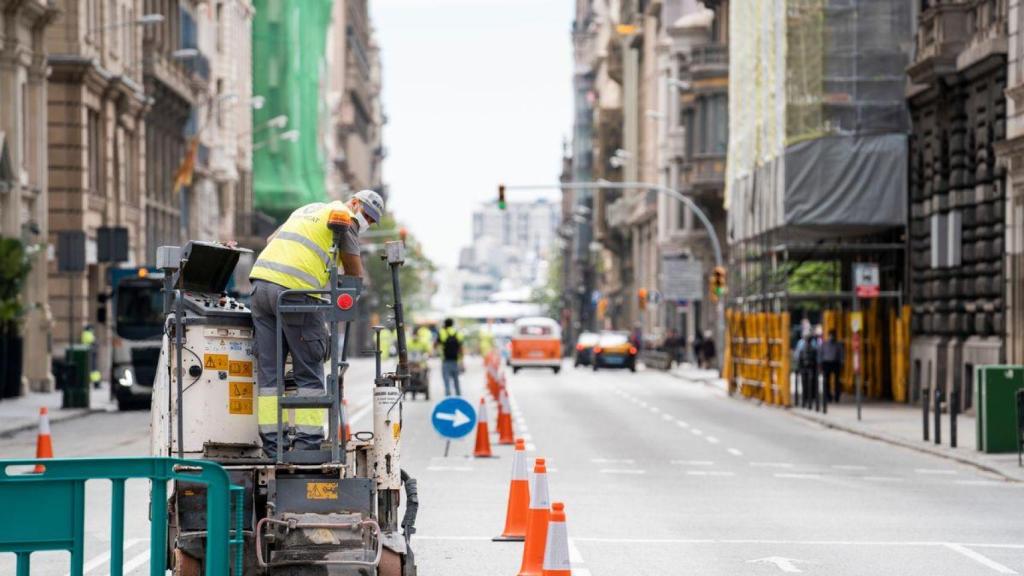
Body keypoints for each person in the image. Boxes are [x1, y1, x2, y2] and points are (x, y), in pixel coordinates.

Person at [249, 189, 385, 458]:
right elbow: (355, 273)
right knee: (310, 369)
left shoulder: (309, 209)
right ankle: (307, 444)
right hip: (294, 293)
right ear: (354, 202)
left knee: (269, 373)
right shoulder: (343, 218)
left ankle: (273, 445)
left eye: (370, 218)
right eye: (366, 214)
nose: (365, 220)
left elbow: (271, 239)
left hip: (260, 287)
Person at [437, 318, 463, 396]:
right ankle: (458, 396)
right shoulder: (457, 332)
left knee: (446, 380)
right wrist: (462, 360)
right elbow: (460, 347)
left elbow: (436, 344)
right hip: (455, 360)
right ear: (452, 324)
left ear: (445, 323)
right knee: (456, 380)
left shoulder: (442, 332)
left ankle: (448, 397)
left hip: (445, 360)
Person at [820, 330, 844, 403]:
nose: (832, 337)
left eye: (833, 335)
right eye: (831, 335)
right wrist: (820, 364)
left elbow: (841, 355)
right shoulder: (825, 344)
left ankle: (837, 396)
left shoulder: (838, 344)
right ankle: (828, 396)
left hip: (835, 363)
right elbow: (821, 354)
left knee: (837, 381)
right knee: (827, 381)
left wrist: (841, 363)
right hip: (826, 363)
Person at [796, 333, 819, 408]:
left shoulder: (804, 349)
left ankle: (806, 399)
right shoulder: (813, 349)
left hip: (806, 369)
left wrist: (799, 368)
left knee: (806, 384)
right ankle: (808, 399)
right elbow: (815, 360)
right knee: (809, 384)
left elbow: (799, 359)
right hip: (809, 369)